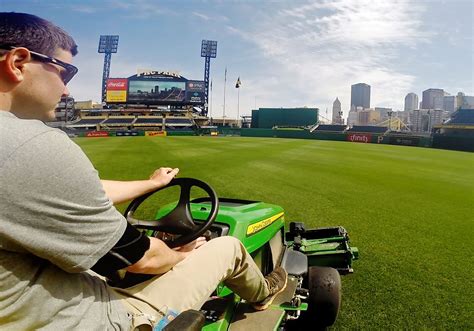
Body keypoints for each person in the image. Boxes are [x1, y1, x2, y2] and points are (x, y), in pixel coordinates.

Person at [0, 12, 287, 331]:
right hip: (96, 321)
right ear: (18, 62)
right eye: (65, 73)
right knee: (228, 247)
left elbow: (58, 192)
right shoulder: (33, 146)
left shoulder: (20, 160)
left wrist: (151, 183)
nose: (67, 91)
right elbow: (142, 259)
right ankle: (263, 293)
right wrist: (180, 254)